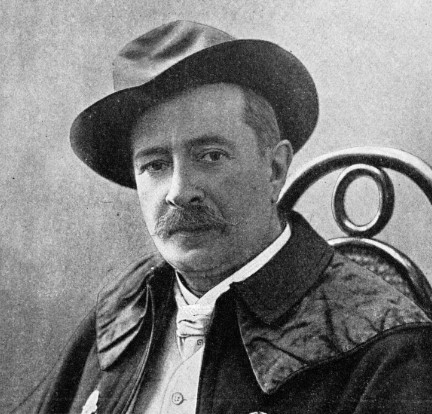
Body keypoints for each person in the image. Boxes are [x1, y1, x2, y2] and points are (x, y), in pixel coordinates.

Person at [13, 20, 432, 414]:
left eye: (211, 156)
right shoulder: (124, 306)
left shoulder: (388, 350)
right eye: (155, 165)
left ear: (275, 169)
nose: (179, 192)